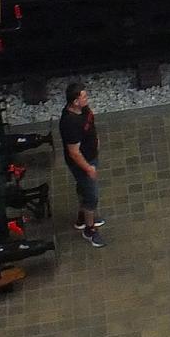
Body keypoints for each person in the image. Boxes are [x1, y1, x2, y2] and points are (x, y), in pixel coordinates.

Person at [59, 81, 105, 247]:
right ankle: (90, 229)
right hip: (83, 163)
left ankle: (81, 217)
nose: (87, 98)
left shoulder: (83, 110)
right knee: (91, 196)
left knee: (83, 188)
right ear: (75, 102)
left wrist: (96, 141)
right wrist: (88, 168)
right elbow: (74, 152)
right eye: (84, 96)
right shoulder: (69, 123)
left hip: (91, 156)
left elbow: (91, 125)